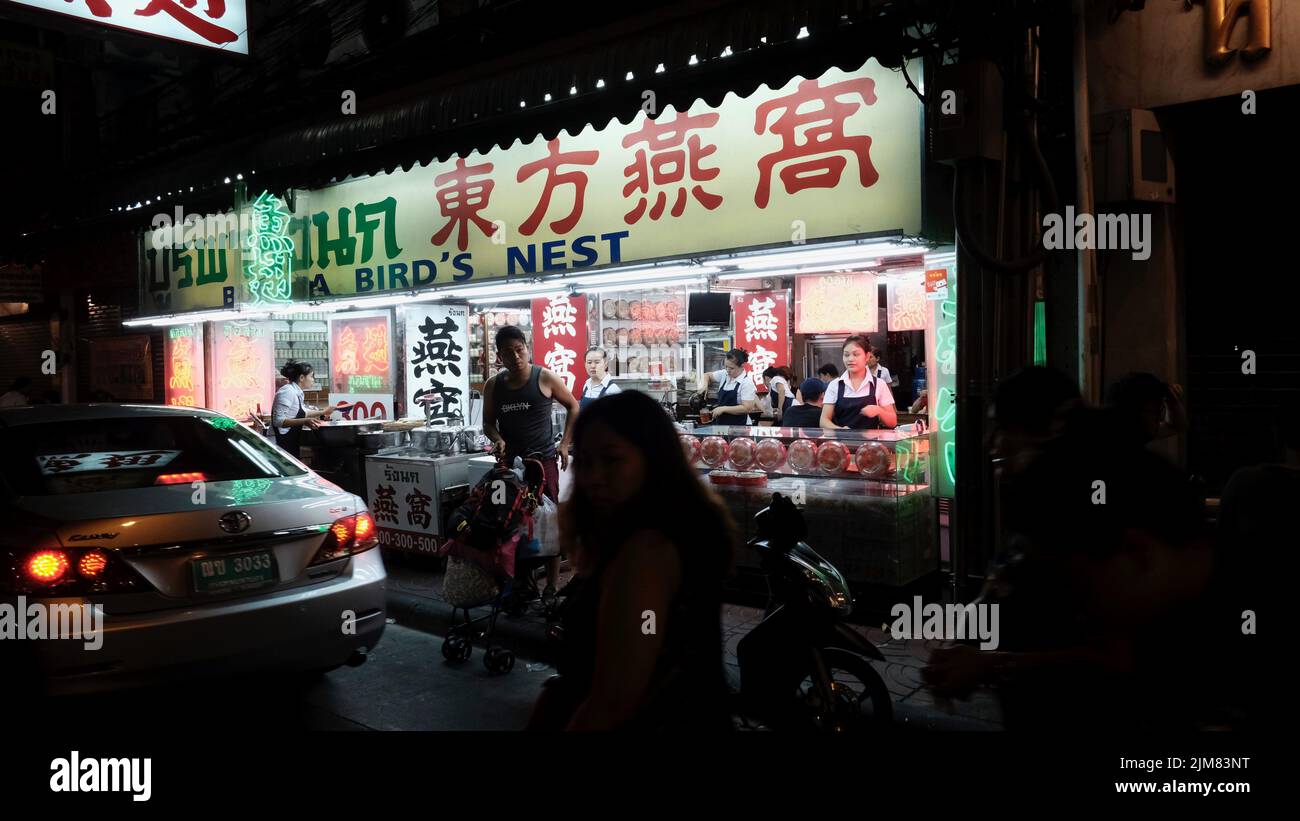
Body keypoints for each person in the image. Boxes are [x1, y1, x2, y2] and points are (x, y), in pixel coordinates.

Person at [527, 390, 735, 731]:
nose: (593, 477)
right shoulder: (662, 527)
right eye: (586, 461)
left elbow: (615, 700)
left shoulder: (647, 552)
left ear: (653, 458)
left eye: (611, 460)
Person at [482, 324, 581, 604]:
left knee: (547, 524)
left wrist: (564, 445)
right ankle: (522, 584)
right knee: (513, 524)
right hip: (512, 467)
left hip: (543, 462)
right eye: (507, 353)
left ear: (527, 348)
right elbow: (488, 423)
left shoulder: (544, 377)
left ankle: (550, 586)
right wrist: (498, 439)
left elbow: (574, 406)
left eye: (519, 349)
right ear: (499, 356)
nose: (515, 357)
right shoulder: (494, 385)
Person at [820, 336, 898, 430]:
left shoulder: (879, 384)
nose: (850, 359)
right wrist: (840, 430)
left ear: (867, 356)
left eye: (856, 354)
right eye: (846, 355)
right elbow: (823, 421)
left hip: (870, 443)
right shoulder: (835, 385)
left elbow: (893, 422)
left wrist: (879, 410)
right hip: (842, 442)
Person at [1105, 372, 1188, 448]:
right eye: (1155, 413)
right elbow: (1177, 426)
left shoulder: (1137, 433)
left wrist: (1171, 400)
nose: (1160, 418)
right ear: (1134, 412)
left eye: (1160, 410)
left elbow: (1178, 425)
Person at [271, 360, 334, 458]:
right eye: (311, 376)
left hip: (291, 442)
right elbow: (278, 421)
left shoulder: (296, 392)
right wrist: (305, 421)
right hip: (282, 443)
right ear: (301, 377)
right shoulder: (287, 392)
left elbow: (303, 412)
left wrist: (323, 412)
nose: (313, 379)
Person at [697, 348, 760, 425]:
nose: (728, 370)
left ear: (742, 366)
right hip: (722, 424)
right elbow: (707, 375)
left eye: (731, 368)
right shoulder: (724, 374)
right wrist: (704, 386)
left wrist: (724, 409)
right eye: (726, 366)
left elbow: (747, 408)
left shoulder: (746, 383)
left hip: (739, 426)